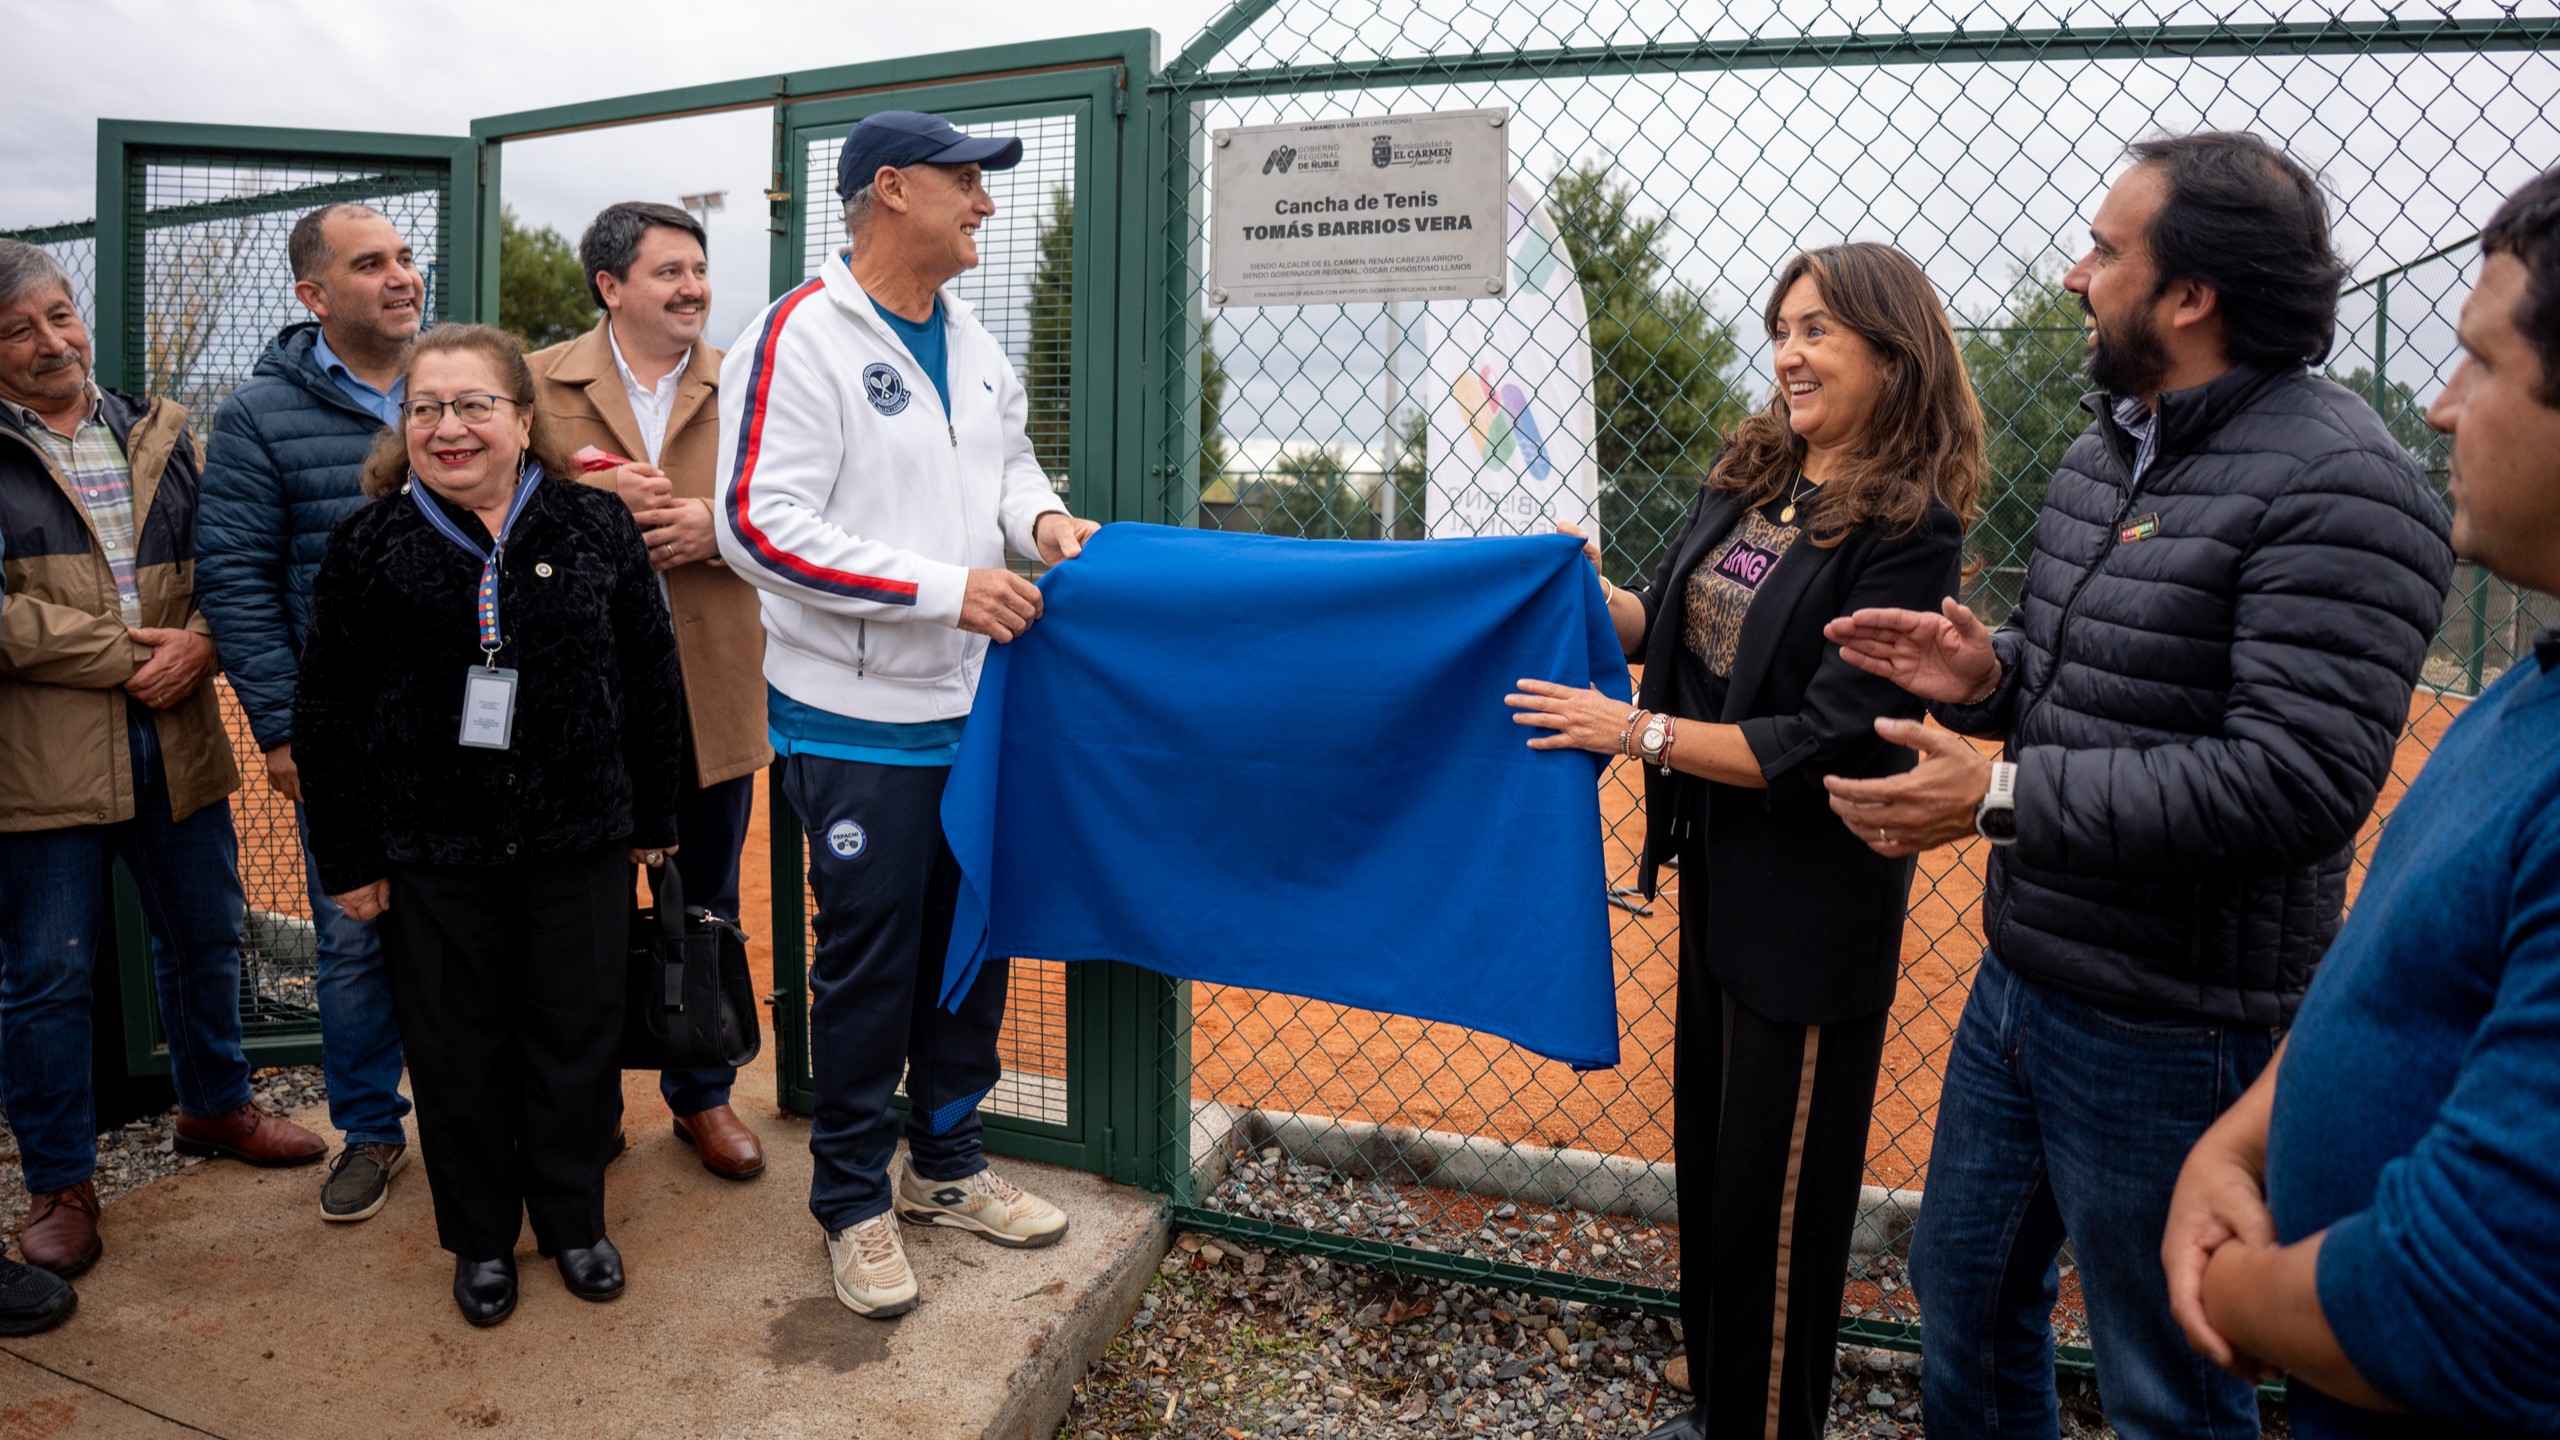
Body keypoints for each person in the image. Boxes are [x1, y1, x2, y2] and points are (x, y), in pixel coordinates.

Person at [1820, 132, 2455, 1439]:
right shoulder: (2109, 451)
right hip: (2026, 980)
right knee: (1966, 1293)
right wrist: (1985, 671)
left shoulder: (2343, 480)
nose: (2074, 273)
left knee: (2166, 1377)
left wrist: (2000, 793)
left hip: (2177, 1023)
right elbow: (2080, 690)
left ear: (2191, 296)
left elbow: (2293, 781)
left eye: (2108, 250)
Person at [1507, 242, 1977, 1440]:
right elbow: (1662, 630)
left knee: (1776, 1217)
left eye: (1818, 329)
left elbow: (1827, 738)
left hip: (1810, 913)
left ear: (1892, 347)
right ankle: (1722, 1413)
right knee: (1717, 1186)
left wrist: (1633, 733)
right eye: (1781, 327)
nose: (1788, 352)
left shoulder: (1904, 529)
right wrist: (1567, 589)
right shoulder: (1755, 476)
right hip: (1722, 879)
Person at [2163, 163, 2560, 1438]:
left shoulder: (2336, 480)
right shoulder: (2524, 697)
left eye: (2481, 366)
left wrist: (2225, 1285)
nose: (2440, 410)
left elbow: (2465, 1311)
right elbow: (2393, 977)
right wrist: (2233, 1149)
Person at [715, 109, 1100, 1320]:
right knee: (870, 965)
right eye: (965, 183)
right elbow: (758, 527)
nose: (985, 202)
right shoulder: (796, 335)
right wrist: (949, 590)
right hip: (856, 716)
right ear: (890, 190)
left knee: (968, 950)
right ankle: (850, 1204)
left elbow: (1008, 471)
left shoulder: (973, 338)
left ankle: (944, 1166)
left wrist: (1040, 526)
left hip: (977, 709)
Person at [293, 323, 685, 1327]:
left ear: (521, 417)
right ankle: (479, 1239)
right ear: (403, 425)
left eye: (474, 405)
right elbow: (327, 711)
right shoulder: (366, 544)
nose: (448, 427)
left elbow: (649, 677)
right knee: (456, 1046)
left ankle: (574, 1221)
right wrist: (349, 854)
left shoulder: (595, 530)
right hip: (432, 849)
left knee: (574, 1035)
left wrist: (653, 815)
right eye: (425, 408)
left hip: (580, 837)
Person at [0, 238, 327, 1283]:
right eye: (18, 330)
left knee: (205, 938)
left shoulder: (160, 432)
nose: (52, 341)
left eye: (59, 315)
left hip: (176, 741)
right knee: (48, 975)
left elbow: (231, 567)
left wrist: (208, 646)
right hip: (42, 762)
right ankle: (59, 1181)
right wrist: (126, 656)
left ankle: (216, 1107)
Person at [531, 200, 771, 1181]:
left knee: (703, 901)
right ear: (610, 286)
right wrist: (590, 503)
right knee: (571, 912)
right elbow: (476, 498)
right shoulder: (533, 383)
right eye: (668, 271)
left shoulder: (755, 379)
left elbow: (805, 503)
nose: (692, 289)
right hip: (578, 703)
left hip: (711, 695)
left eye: (698, 270)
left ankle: (702, 1098)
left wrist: (717, 528)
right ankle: (582, 1106)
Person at [197, 202, 422, 1223]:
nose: (401, 276)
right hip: (347, 737)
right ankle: (372, 1132)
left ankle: (492, 1112)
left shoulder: (457, 382)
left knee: (482, 923)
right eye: (370, 263)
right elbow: (238, 579)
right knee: (352, 937)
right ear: (314, 295)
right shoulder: (255, 415)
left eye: (407, 257)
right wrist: (284, 730)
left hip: (480, 731)